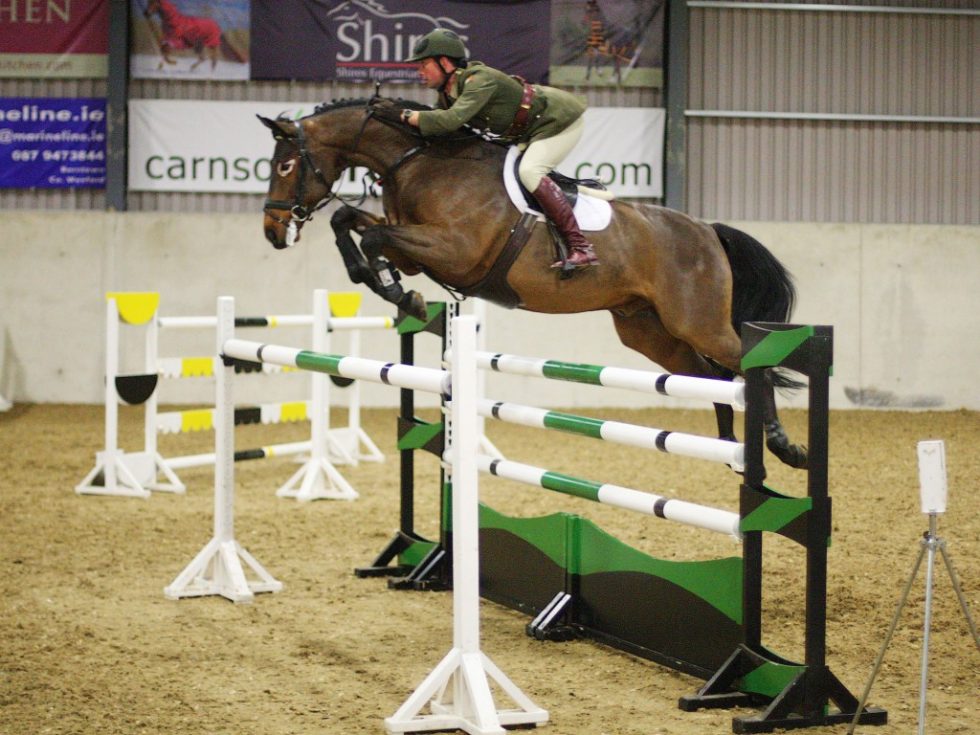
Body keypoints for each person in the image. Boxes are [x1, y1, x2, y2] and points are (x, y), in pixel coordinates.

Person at [397, 28, 599, 270]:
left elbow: (449, 121)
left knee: (530, 172)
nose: (420, 72)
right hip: (526, 131)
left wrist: (404, 114)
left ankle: (581, 247)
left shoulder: (479, 79)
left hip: (558, 121)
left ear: (444, 62)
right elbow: (440, 129)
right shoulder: (448, 94)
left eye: (424, 65)